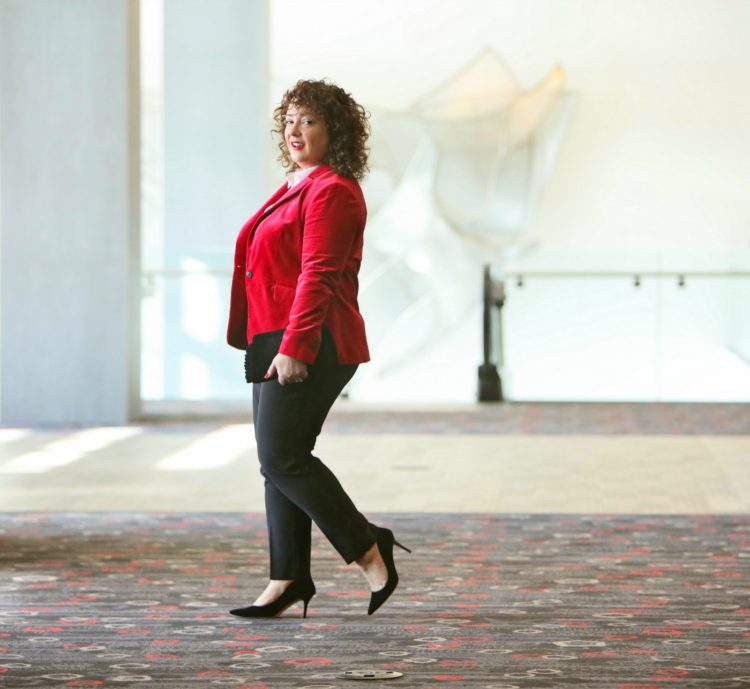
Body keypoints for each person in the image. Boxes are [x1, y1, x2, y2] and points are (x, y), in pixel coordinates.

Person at [226, 79, 410, 618]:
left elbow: (319, 275)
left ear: (336, 132)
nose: (294, 129)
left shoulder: (332, 191)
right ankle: (287, 579)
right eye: (289, 119)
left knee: (281, 455)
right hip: (272, 335)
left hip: (312, 338)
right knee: (276, 461)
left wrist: (296, 346)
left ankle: (368, 546)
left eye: (309, 120)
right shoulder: (296, 186)